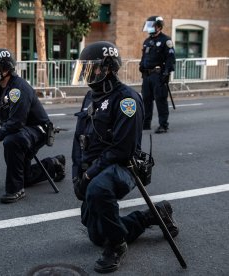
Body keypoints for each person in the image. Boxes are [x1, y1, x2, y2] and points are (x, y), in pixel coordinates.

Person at [71, 41, 179, 273]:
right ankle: (155, 215)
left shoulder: (127, 99)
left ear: (108, 68)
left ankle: (118, 246)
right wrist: (76, 174)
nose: (89, 73)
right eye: (86, 68)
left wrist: (89, 175)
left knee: (97, 189)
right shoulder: (91, 96)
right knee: (97, 235)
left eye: (94, 67)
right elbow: (78, 139)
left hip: (124, 166)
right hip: (98, 167)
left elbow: (122, 150)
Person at [0, 48, 65, 204]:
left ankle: (15, 189)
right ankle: (54, 164)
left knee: (12, 140)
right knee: (24, 177)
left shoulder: (18, 88)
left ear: (5, 68)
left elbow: (15, 123)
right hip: (20, 131)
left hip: (36, 130)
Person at [139, 16, 176, 134]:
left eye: (152, 26)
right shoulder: (147, 41)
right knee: (146, 100)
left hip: (158, 75)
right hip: (147, 75)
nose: (150, 29)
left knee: (160, 100)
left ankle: (163, 125)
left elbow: (170, 58)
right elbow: (144, 56)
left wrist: (166, 73)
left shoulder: (166, 40)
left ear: (159, 27)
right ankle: (146, 123)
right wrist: (141, 65)